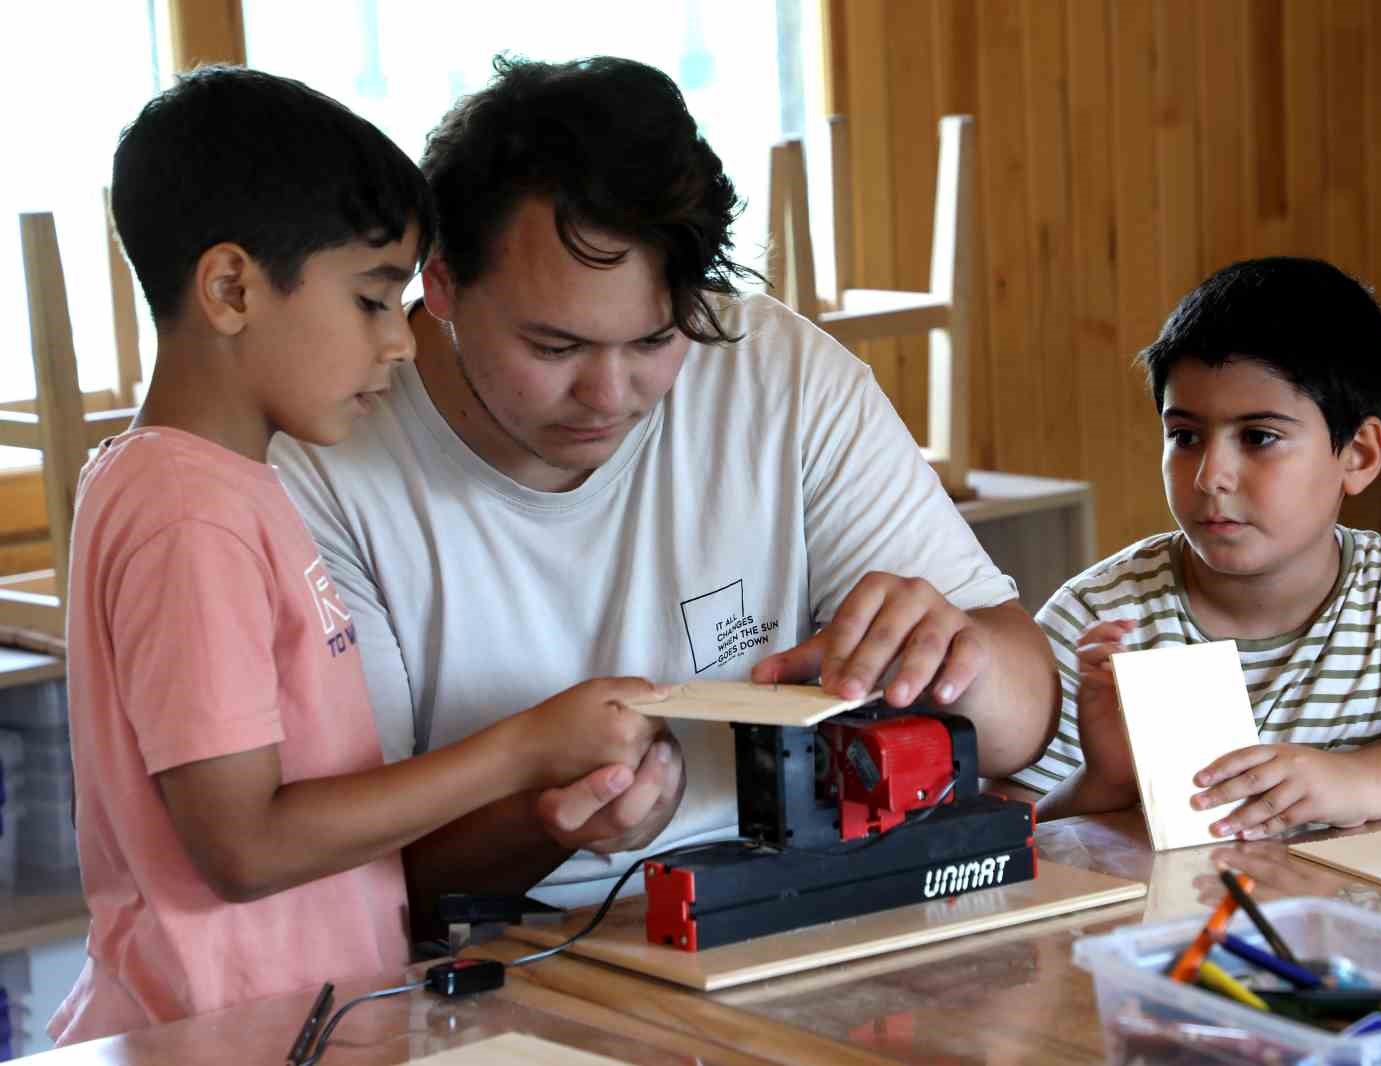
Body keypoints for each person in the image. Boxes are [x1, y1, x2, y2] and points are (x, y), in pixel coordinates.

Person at [271, 55, 1057, 922]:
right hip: (509, 950)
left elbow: (1021, 722)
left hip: (810, 898)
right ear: (443, 281)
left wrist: (947, 664)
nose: (610, 396)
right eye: (555, 348)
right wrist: (547, 818)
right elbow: (354, 880)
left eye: (654, 340)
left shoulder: (774, 371)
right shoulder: (326, 459)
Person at [50, 66, 667, 1044]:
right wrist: (519, 750)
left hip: (304, 1023)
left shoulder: (227, 485)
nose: (398, 342)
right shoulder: (188, 514)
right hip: (224, 1033)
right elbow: (244, 844)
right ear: (230, 288)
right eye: (374, 299)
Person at [1011, 256, 1381, 835]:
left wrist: (1362, 781)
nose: (1210, 475)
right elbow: (998, 844)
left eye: (1260, 437)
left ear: (1359, 455)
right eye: (1185, 436)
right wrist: (1102, 788)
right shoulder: (1101, 621)